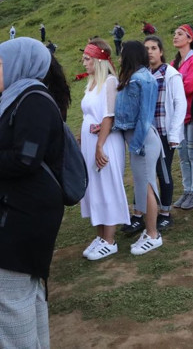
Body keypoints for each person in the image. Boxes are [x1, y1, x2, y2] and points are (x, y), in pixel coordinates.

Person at [0, 38, 66, 347]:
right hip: (18, 214)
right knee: (23, 297)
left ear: (18, 66)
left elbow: (26, 159)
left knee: (1, 293)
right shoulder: (21, 99)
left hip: (21, 220)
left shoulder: (33, 101)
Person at [79, 39, 129, 260]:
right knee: (95, 188)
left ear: (99, 60)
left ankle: (110, 240)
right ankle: (101, 236)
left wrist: (100, 145)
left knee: (106, 185)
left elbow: (108, 115)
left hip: (105, 141)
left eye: (87, 59)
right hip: (91, 142)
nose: (83, 63)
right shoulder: (91, 83)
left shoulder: (109, 82)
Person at [114, 41, 165, 253]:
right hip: (138, 138)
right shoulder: (135, 77)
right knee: (143, 185)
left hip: (141, 139)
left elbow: (144, 117)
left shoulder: (140, 79)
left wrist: (136, 145)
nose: (119, 57)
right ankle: (150, 231)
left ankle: (153, 234)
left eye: (122, 54)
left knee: (146, 187)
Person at [144, 36, 186, 231]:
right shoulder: (144, 74)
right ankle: (145, 212)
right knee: (146, 173)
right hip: (147, 134)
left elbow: (180, 104)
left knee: (163, 172)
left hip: (164, 132)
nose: (150, 52)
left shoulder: (171, 74)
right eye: (147, 49)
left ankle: (165, 213)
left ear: (161, 51)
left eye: (154, 48)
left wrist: (174, 133)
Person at [171, 24, 193, 210]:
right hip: (178, 116)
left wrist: (174, 89)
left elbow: (189, 86)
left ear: (190, 38)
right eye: (175, 34)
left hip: (192, 114)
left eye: (180, 34)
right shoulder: (175, 63)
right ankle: (187, 190)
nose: (175, 37)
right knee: (183, 154)